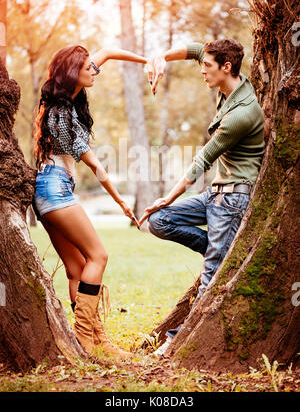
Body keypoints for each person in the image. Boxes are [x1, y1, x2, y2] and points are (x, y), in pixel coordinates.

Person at [139, 39, 264, 353]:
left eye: (207, 67)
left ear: (226, 67)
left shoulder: (242, 113)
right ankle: (221, 255)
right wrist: (160, 57)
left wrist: (168, 196)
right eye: (202, 64)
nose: (201, 70)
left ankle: (176, 343)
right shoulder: (227, 83)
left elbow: (203, 160)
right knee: (158, 221)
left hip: (233, 199)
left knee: (209, 279)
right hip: (215, 194)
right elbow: (196, 50)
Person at [33, 45, 146, 358]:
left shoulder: (63, 101)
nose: (94, 70)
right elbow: (97, 167)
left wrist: (148, 60)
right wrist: (123, 204)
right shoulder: (62, 115)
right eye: (88, 68)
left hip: (46, 190)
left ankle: (97, 341)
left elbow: (107, 51)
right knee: (98, 256)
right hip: (55, 189)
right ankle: (86, 337)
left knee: (76, 269)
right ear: (74, 73)